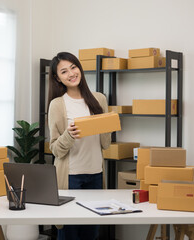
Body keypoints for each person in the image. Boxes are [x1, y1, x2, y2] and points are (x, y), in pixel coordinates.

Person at [47, 52, 111, 240]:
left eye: (73, 67)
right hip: (70, 177)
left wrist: (108, 124)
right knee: (69, 234)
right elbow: (55, 149)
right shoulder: (57, 105)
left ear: (80, 68)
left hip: (96, 174)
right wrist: (69, 135)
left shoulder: (99, 99)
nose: (71, 73)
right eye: (64, 71)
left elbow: (105, 144)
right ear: (58, 78)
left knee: (91, 233)